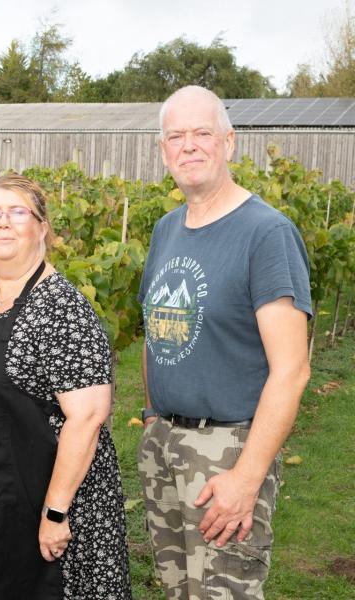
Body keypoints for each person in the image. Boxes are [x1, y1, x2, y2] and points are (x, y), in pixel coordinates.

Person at [0, 174, 131, 600]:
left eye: (17, 213)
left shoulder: (61, 307)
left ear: (42, 227)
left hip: (38, 512)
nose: (3, 223)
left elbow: (87, 417)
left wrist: (55, 511)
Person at [137, 85, 311, 599]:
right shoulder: (166, 230)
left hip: (228, 450)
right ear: (163, 149)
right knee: (178, 590)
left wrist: (246, 477)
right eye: (176, 136)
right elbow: (156, 328)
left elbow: (292, 369)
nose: (189, 146)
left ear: (229, 143)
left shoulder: (265, 233)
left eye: (202, 133)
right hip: (165, 442)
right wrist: (152, 418)